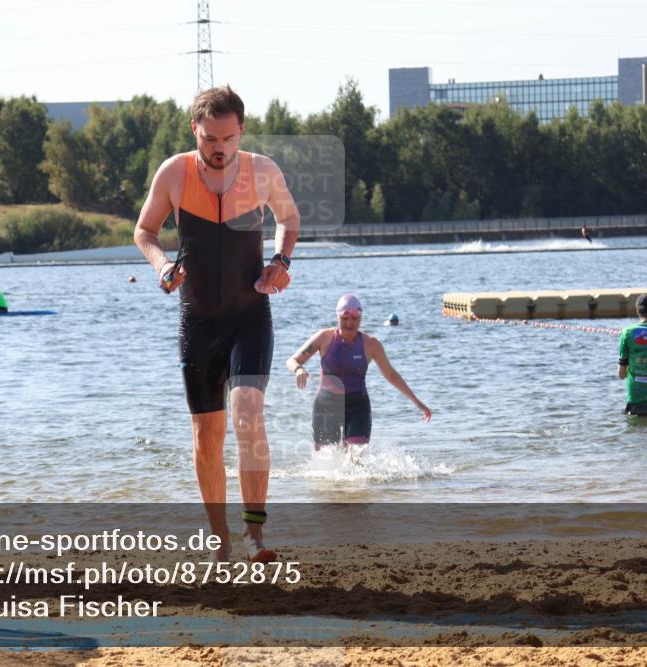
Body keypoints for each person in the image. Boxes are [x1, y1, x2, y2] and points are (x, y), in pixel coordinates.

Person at [133, 86, 300, 562]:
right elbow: (145, 231)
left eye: (228, 138)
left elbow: (289, 218)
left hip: (250, 316)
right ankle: (219, 539)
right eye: (209, 139)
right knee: (207, 438)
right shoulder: (175, 173)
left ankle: (254, 534)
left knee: (248, 411)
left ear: (241, 130)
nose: (219, 148)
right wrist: (163, 266)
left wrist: (281, 260)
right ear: (195, 130)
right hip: (198, 322)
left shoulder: (262, 171)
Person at [286, 294, 432, 450]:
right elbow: (292, 360)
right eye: (345, 318)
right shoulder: (324, 338)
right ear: (338, 317)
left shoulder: (371, 344)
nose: (349, 323)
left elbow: (390, 374)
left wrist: (418, 403)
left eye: (354, 319)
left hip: (357, 405)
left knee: (356, 456)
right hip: (327, 404)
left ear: (360, 318)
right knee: (326, 457)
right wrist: (299, 369)